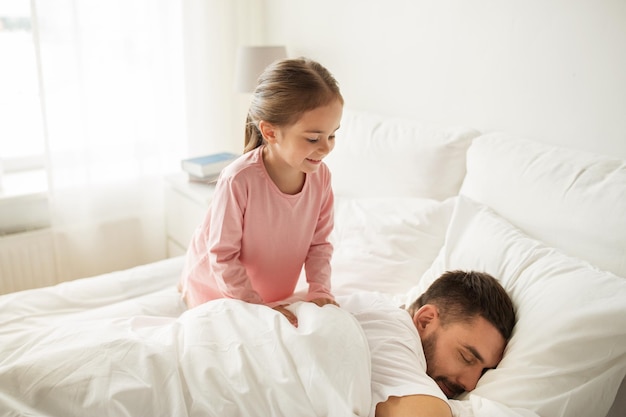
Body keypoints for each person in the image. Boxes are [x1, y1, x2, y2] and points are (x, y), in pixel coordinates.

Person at [179, 57, 343, 327]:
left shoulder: (321, 177)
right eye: (313, 138)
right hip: (217, 289)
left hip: (271, 293)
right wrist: (256, 307)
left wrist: (320, 290)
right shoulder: (238, 179)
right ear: (270, 132)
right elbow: (222, 255)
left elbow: (319, 244)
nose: (325, 148)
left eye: (333, 135)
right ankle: (185, 285)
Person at [341, 269, 516, 417]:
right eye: (466, 357)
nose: (470, 384)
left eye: (484, 371)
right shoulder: (388, 328)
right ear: (425, 320)